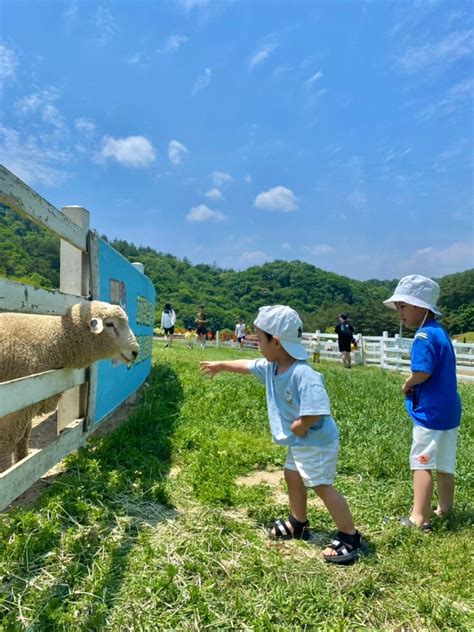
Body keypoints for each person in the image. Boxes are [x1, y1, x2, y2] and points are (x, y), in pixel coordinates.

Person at [200, 305, 363, 564]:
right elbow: (246, 365)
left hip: (317, 442)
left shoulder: (303, 373)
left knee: (321, 485)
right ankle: (298, 521)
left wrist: (302, 423)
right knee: (292, 475)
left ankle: (349, 535)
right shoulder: (273, 366)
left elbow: (318, 408)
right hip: (299, 442)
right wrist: (222, 365)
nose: (256, 343)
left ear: (275, 341)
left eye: (259, 338)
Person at [383, 275, 462, 529]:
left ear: (420, 306)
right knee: (445, 464)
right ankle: (445, 508)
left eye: (403, 306)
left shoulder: (423, 337)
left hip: (430, 412)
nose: (399, 313)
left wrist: (408, 383)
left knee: (422, 462)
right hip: (449, 412)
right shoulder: (440, 333)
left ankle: (419, 517)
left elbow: (422, 372)